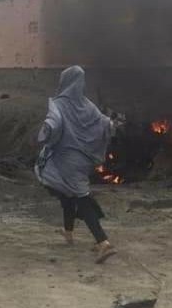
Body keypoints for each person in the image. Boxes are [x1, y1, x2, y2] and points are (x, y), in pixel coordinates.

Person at [34, 66, 116, 264]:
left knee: (81, 198)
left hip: (66, 161)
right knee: (67, 193)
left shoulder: (59, 104)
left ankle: (103, 242)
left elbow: (53, 123)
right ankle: (68, 232)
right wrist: (112, 125)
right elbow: (103, 123)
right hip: (83, 161)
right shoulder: (86, 104)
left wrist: (46, 131)